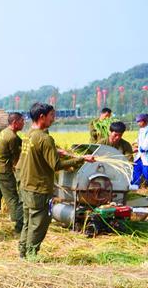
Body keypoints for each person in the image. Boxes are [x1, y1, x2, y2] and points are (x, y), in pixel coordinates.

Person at [18, 103, 93, 259]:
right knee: (39, 223)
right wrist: (80, 159)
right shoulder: (45, 139)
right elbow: (56, 165)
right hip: (38, 187)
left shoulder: (28, 135)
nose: (54, 119)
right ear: (42, 117)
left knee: (28, 221)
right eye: (52, 115)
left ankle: (23, 252)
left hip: (25, 185)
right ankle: (31, 254)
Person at [0, 112, 24, 232]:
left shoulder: (6, 132)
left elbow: (21, 142)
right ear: (15, 123)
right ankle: (19, 225)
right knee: (12, 197)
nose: (23, 123)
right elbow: (16, 157)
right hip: (3, 170)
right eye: (22, 121)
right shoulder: (12, 137)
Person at [133, 113, 148, 187]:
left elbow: (145, 146)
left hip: (147, 156)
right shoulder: (142, 129)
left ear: (145, 121)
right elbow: (139, 139)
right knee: (136, 168)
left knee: (147, 171)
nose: (138, 123)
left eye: (139, 121)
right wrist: (135, 142)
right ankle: (135, 185)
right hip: (140, 155)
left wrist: (138, 149)